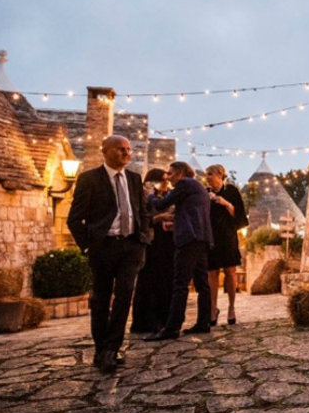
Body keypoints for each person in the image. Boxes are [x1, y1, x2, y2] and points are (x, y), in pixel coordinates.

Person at [66, 135, 150, 372]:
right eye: (120, 150)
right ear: (105, 151)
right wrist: (87, 245)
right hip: (103, 247)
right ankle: (101, 348)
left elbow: (141, 211)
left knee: (124, 295)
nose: (126, 154)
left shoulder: (134, 179)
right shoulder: (89, 179)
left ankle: (112, 348)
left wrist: (143, 237)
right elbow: (74, 219)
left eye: (128, 150)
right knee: (101, 298)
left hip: (131, 246)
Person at [145, 161, 214, 341]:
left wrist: (150, 195)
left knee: (180, 284)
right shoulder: (198, 187)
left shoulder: (185, 184)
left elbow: (161, 205)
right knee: (202, 284)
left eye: (171, 173)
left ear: (181, 172)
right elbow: (191, 213)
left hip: (189, 239)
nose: (168, 177)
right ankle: (203, 322)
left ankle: (172, 328)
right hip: (201, 238)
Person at [130, 168, 175, 334]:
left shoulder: (169, 196)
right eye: (162, 179)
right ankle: (147, 321)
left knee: (166, 281)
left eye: (167, 179)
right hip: (152, 243)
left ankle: (165, 319)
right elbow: (142, 221)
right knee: (149, 282)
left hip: (168, 242)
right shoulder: (145, 197)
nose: (166, 182)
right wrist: (161, 218)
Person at [205, 164, 248, 327]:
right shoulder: (205, 193)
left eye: (210, 174)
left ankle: (231, 308)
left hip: (228, 236)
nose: (207, 177)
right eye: (207, 174)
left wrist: (225, 203)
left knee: (230, 271)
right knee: (212, 273)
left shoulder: (231, 191)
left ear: (220, 175)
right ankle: (212, 308)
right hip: (211, 237)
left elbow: (240, 216)